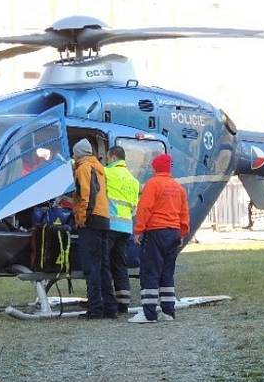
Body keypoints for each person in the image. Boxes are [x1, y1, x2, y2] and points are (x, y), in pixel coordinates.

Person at [129, 154, 189, 323]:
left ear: (155, 167)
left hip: (156, 232)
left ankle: (149, 313)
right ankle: (168, 312)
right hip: (174, 233)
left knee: (150, 271)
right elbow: (184, 213)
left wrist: (139, 230)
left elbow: (144, 208)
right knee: (167, 272)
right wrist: (182, 232)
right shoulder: (178, 187)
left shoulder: (153, 184)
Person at [71, 138, 115, 319]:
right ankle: (110, 308)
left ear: (79, 153)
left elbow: (87, 196)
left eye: (74, 154)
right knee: (104, 266)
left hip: (91, 222)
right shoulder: (99, 168)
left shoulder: (83, 168)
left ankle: (95, 309)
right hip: (104, 219)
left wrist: (81, 219)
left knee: (91, 267)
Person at [104, 145, 140, 314]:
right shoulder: (134, 181)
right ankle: (123, 302)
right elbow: (134, 206)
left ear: (112, 157)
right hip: (126, 228)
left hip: (110, 226)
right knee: (120, 264)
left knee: (104, 263)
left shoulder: (106, 173)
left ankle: (106, 301)